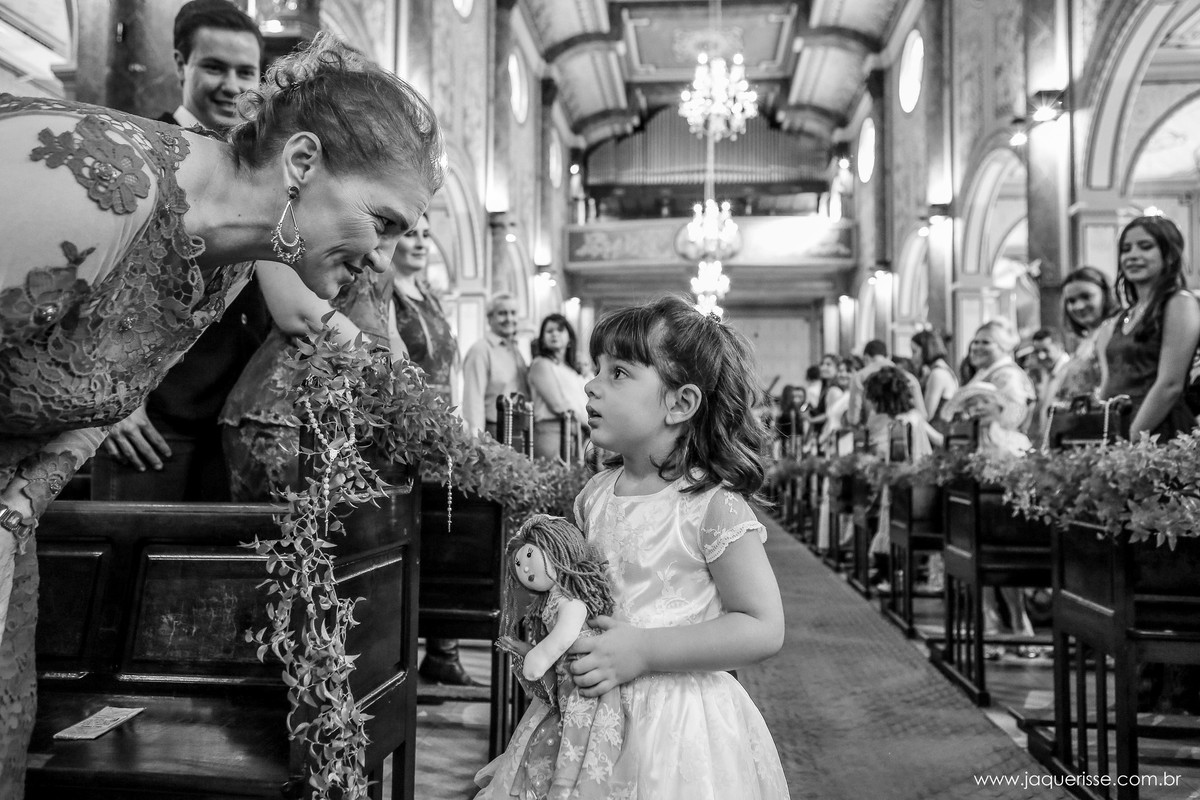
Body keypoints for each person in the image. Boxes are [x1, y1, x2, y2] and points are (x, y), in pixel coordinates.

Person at [0, 33, 445, 794]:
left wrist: (12, 519)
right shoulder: (99, 184)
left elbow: (78, 400)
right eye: (386, 220)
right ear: (302, 164)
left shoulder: (234, 266)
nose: (385, 258)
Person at [477, 297, 788, 798]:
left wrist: (644, 650)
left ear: (679, 404)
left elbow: (763, 626)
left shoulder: (710, 506)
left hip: (676, 723)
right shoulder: (594, 495)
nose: (591, 383)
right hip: (586, 709)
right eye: (596, 367)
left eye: (618, 372)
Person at [100, 0, 271, 497]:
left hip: (236, 420)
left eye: (246, 71)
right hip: (151, 419)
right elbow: (104, 281)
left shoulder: (262, 168)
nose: (233, 85)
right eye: (214, 67)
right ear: (180, 63)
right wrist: (117, 401)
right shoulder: (136, 152)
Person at [492, 514, 627, 798]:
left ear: (557, 550)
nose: (524, 567)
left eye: (529, 555)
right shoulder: (552, 598)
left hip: (584, 674)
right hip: (568, 677)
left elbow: (564, 637)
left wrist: (539, 657)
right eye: (518, 564)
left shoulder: (571, 602)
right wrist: (527, 650)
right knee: (556, 728)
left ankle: (567, 785)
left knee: (576, 730)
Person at [945, 381, 1037, 658]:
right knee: (975, 556)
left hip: (1010, 524)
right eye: (971, 405)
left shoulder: (1016, 440)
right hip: (974, 525)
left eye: (982, 401)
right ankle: (991, 625)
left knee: (1008, 563)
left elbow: (1025, 478)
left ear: (998, 405)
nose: (977, 408)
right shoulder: (964, 446)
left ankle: (1019, 623)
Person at [1097, 215, 1200, 441]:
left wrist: (1132, 437)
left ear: (1169, 254)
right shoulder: (1121, 318)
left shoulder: (1179, 303)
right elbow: (1110, 382)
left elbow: (1169, 385)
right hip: (1117, 428)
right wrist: (1099, 432)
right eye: (1126, 249)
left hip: (1159, 431)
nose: (1133, 255)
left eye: (1145, 247)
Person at [861, 367, 943, 590]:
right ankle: (901, 575)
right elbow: (939, 440)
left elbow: (901, 456)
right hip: (913, 480)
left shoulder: (902, 422)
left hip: (909, 485)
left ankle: (902, 576)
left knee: (897, 525)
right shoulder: (912, 417)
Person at [462, 293, 529, 437]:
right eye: (502, 313)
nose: (509, 319)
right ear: (490, 318)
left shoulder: (516, 350)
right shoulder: (481, 350)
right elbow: (473, 399)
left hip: (518, 428)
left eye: (513, 313)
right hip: (494, 431)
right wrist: (477, 438)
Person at [1049, 265, 1118, 403]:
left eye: (1086, 296)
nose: (1078, 306)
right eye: (1071, 301)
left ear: (1106, 294)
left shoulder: (1113, 331)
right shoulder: (1087, 339)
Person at [527, 313, 588, 460]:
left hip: (576, 431)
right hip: (552, 431)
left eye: (560, 330)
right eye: (549, 331)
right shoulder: (541, 364)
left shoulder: (570, 369)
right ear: (542, 339)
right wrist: (590, 424)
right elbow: (558, 404)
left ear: (569, 337)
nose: (554, 334)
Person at [964, 319, 1037, 433]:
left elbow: (1011, 419)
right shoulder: (986, 372)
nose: (977, 347)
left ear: (1003, 346)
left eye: (986, 342)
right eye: (976, 342)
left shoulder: (1008, 375)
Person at [846, 339, 928, 428]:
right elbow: (922, 414)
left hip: (874, 435)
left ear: (866, 358)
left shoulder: (859, 377)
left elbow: (853, 418)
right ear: (888, 356)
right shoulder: (908, 378)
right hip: (904, 435)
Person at [1028, 327, 1071, 442]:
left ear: (1060, 347)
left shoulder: (1071, 371)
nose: (1041, 356)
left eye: (1045, 350)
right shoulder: (1047, 372)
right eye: (1037, 352)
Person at [910, 328, 959, 428]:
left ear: (926, 350)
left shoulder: (938, 374)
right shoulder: (939, 370)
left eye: (914, 351)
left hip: (937, 433)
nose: (912, 357)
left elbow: (926, 415)